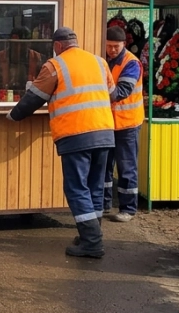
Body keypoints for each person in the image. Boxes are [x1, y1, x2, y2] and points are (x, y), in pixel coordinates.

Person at [7, 27, 115, 258]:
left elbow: (33, 98)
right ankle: (91, 235)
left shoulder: (54, 66)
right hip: (105, 132)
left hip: (76, 134)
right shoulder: (99, 62)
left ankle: (92, 242)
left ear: (57, 45)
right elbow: (113, 93)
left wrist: (14, 115)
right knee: (94, 186)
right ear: (75, 42)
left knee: (76, 188)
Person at [103, 26, 143, 222]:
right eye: (109, 46)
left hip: (128, 124)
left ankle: (128, 209)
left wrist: (97, 89)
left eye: (116, 47)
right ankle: (103, 204)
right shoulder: (104, 60)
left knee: (127, 167)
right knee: (104, 166)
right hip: (108, 123)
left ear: (124, 45)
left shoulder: (131, 63)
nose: (112, 50)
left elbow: (122, 92)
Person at [0, 26, 45, 92]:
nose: (17, 46)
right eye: (14, 43)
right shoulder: (1, 56)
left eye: (21, 43)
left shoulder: (36, 57)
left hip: (29, 94)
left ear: (28, 43)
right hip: (6, 94)